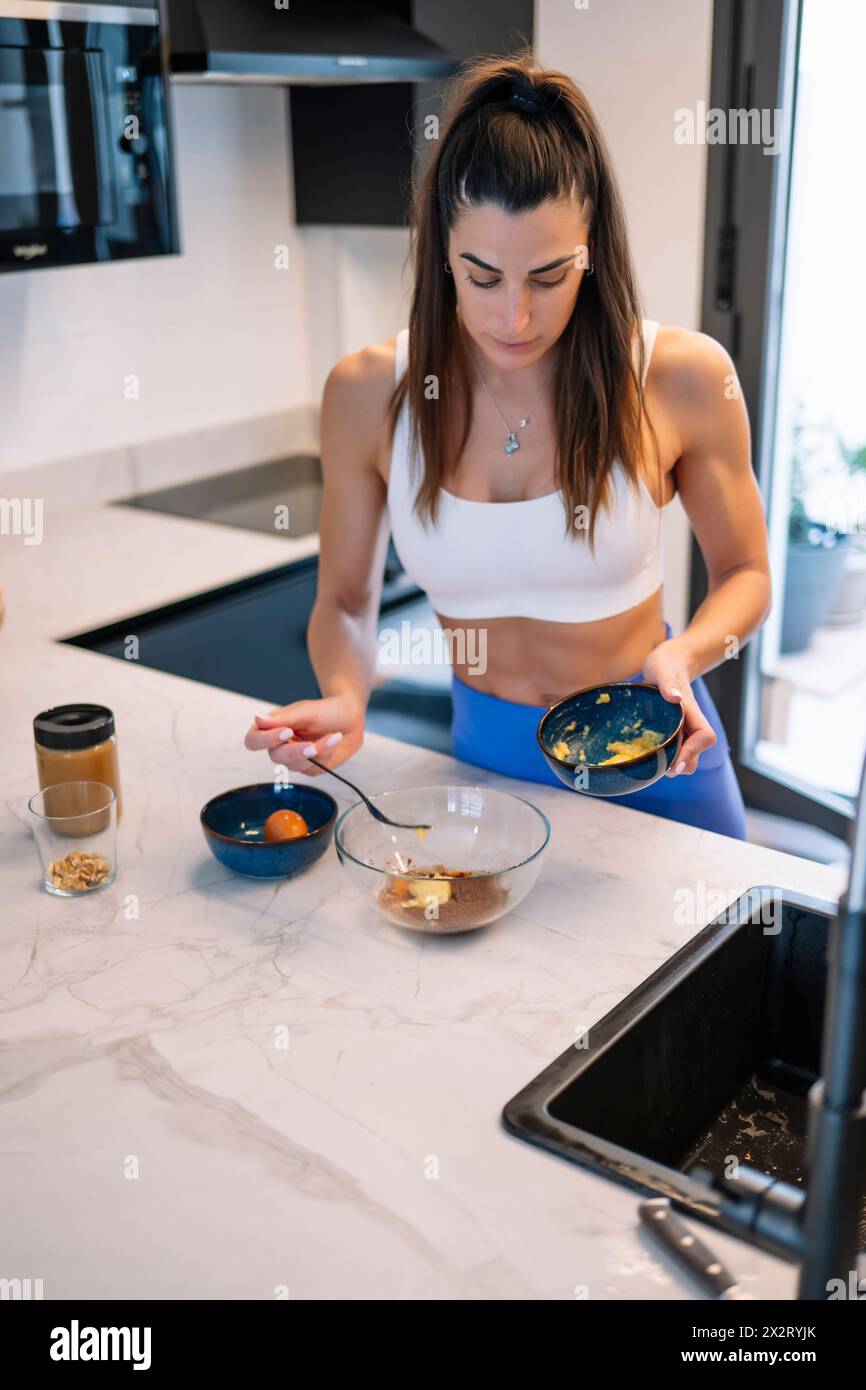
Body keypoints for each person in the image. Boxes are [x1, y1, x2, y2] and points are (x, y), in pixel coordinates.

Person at [244, 52, 771, 841]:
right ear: (441, 252)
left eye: (550, 276)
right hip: (482, 771)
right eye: (483, 277)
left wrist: (687, 655)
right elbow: (347, 602)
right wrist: (347, 694)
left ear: (591, 248)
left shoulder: (680, 377)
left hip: (652, 759)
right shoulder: (365, 394)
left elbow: (748, 574)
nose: (515, 317)